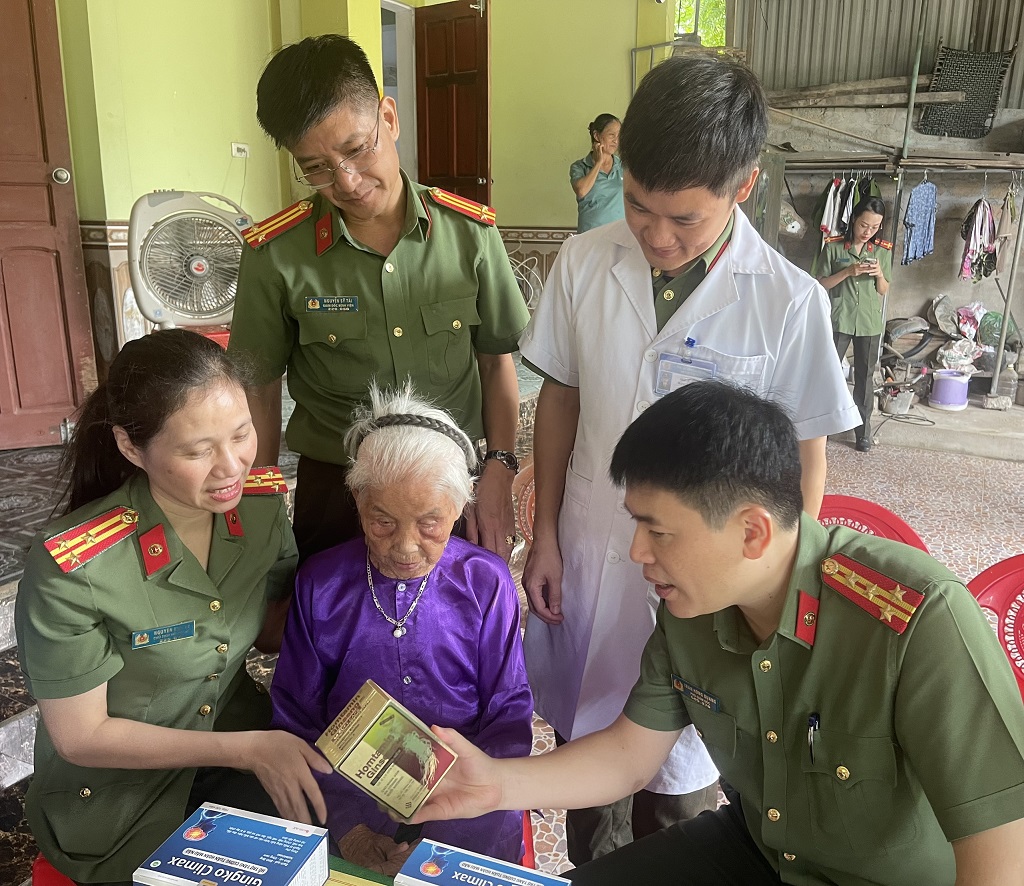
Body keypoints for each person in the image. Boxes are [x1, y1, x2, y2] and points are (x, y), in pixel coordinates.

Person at [413, 379, 1024, 886]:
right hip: (760, 851)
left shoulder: (916, 619)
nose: (636, 551)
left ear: (753, 532)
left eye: (659, 531)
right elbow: (629, 754)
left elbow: (1001, 850)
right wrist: (496, 783)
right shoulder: (694, 607)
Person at [519, 54, 859, 864]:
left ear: (742, 188)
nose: (656, 236)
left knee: (681, 800)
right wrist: (546, 537)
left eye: (685, 220)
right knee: (587, 768)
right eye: (639, 206)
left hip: (714, 589)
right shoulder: (583, 263)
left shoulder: (788, 301)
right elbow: (560, 398)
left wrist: (782, 589)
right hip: (595, 556)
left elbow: (805, 460)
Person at [15, 330, 331, 886]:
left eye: (242, 434)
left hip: (237, 755)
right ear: (131, 447)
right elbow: (81, 737)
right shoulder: (77, 565)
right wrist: (246, 751)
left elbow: (274, 629)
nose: (231, 466)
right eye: (197, 450)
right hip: (117, 800)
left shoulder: (260, 511)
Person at [227, 35, 531, 564]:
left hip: (449, 483)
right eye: (315, 167)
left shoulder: (469, 235)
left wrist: (500, 466)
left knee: (453, 631)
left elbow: (495, 358)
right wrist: (260, 495)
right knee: (333, 633)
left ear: (388, 117)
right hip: (337, 489)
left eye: (355, 148)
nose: (345, 180)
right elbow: (259, 385)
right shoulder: (276, 254)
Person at [270, 383, 533, 870]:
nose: (406, 547)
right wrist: (348, 825)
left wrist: (455, 817)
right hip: (346, 797)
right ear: (357, 500)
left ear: (460, 507)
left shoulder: (484, 582)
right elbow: (296, 720)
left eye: (431, 523)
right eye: (383, 522)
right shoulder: (321, 584)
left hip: (469, 795)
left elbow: (508, 712)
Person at [817, 196, 892, 452]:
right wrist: (848, 271)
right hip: (840, 319)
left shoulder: (881, 251)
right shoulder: (834, 247)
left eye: (874, 228)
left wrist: (879, 274)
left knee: (864, 377)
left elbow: (883, 290)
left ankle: (863, 432)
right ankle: (823, 430)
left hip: (869, 323)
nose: (867, 232)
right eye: (863, 225)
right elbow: (820, 284)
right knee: (830, 375)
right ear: (853, 220)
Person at [569, 114, 624, 233]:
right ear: (596, 135)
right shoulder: (579, 167)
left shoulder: (624, 166)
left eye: (619, 136)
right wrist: (598, 163)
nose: (616, 140)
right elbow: (582, 191)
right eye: (611, 135)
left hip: (619, 236)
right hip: (590, 237)